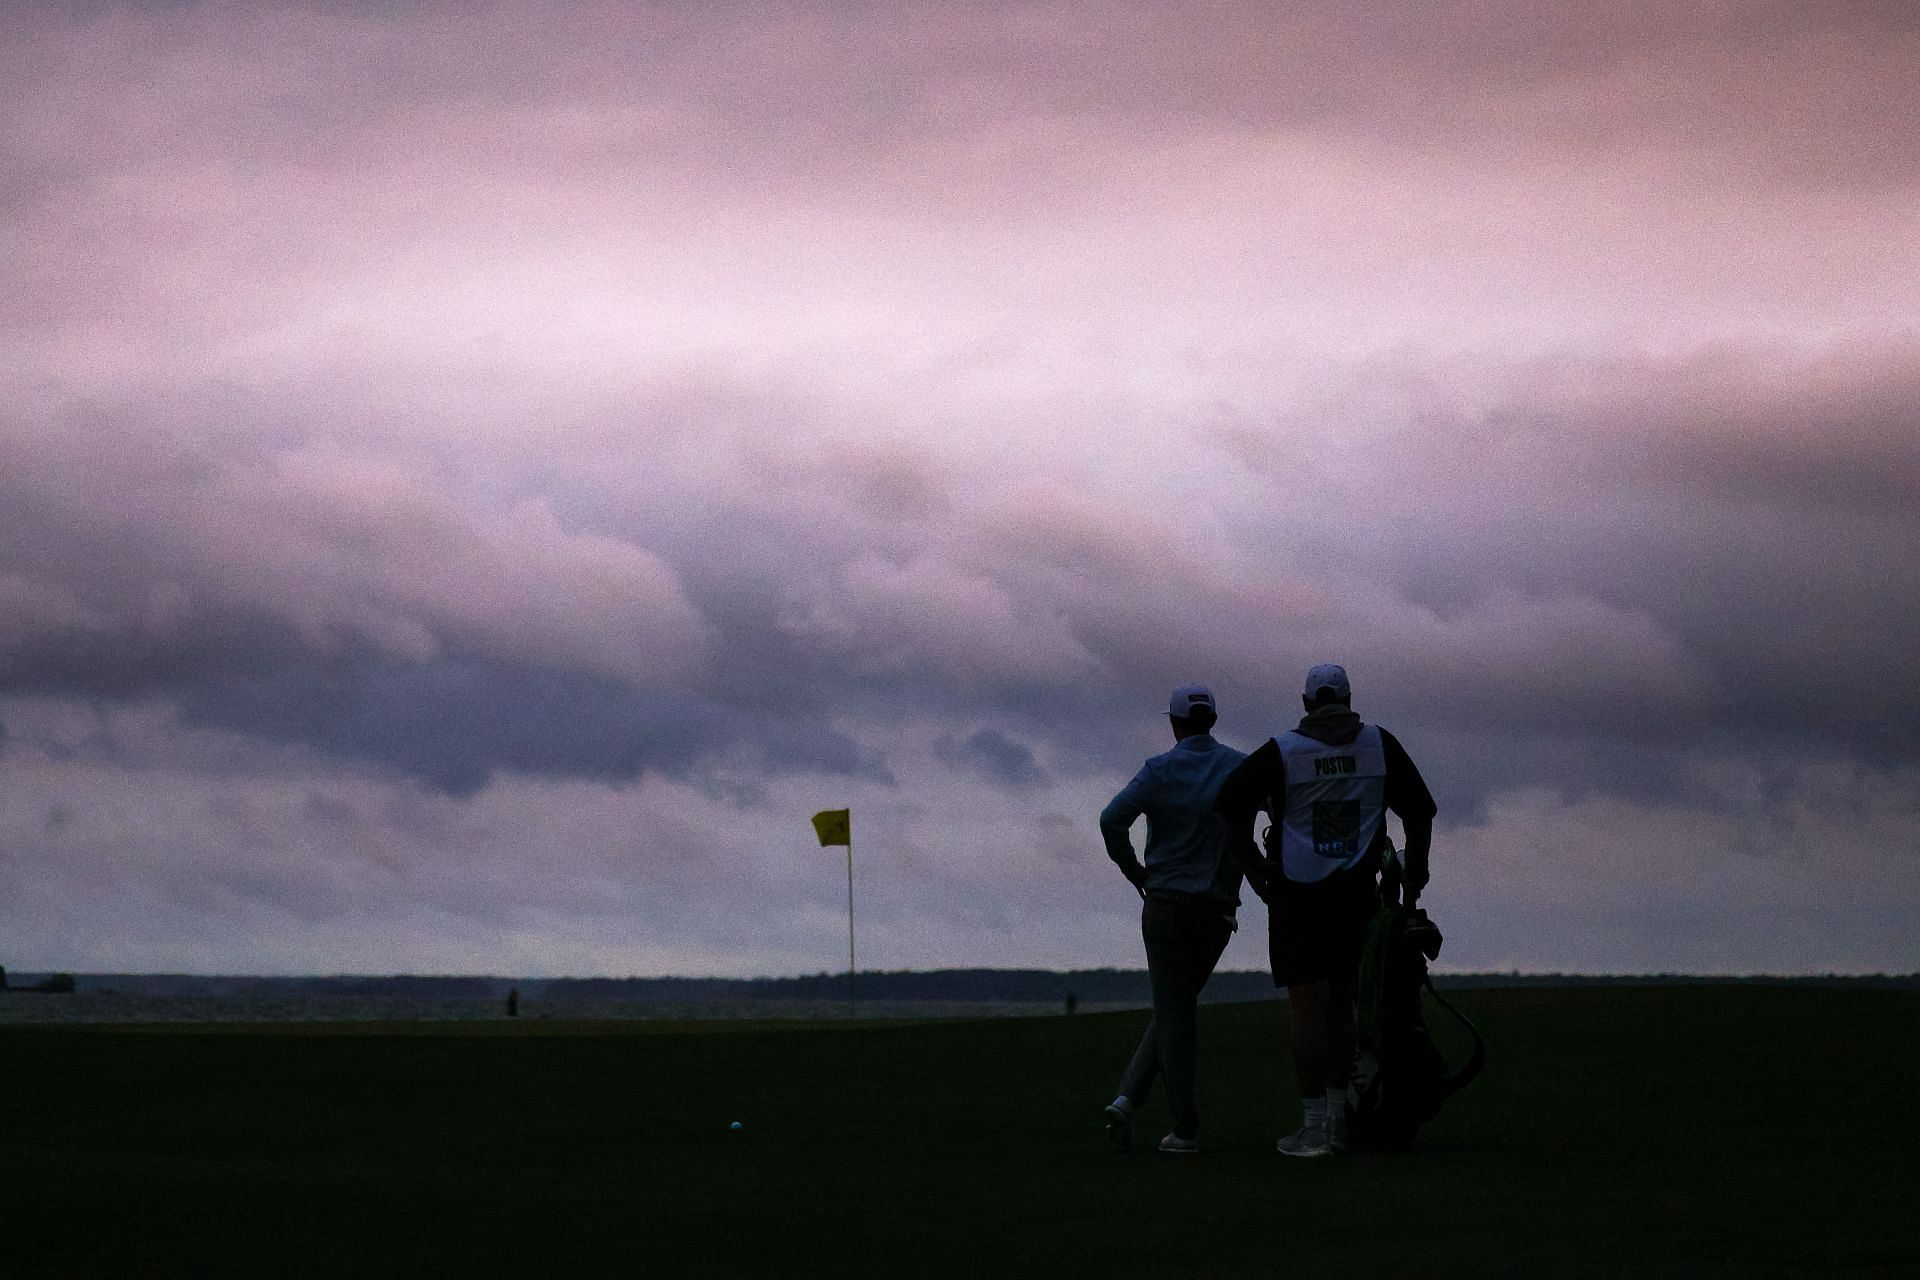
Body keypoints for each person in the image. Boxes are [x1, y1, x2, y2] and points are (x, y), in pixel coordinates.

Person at [1214, 662, 1436, 1158]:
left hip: (1297, 894)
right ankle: (1340, 1119)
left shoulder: (1284, 750)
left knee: (1309, 1010)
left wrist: (1253, 868)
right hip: (1358, 892)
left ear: (1307, 702)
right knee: (1344, 1005)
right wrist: (1415, 873)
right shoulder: (1379, 744)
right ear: (1350, 699)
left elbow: (1229, 804)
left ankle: (1314, 1126)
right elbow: (1421, 810)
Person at [1098, 684, 1248, 1154]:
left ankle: (1151, 1111)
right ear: (1214, 720)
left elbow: (1111, 820)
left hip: (1164, 905)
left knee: (1174, 1010)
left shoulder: (1158, 770)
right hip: (1215, 910)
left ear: (1174, 722)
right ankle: (1157, 1115)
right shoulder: (1238, 767)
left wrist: (1135, 872)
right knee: (1176, 1010)